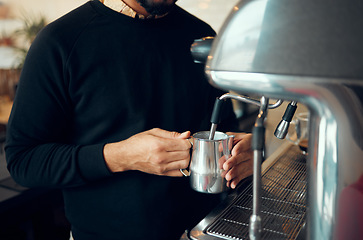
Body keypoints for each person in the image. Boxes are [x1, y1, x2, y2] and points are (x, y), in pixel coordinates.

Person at [5, 0, 253, 239]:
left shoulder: (201, 37)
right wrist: (122, 156)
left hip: (202, 232)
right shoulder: (60, 41)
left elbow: (223, 128)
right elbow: (23, 160)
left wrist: (242, 153)